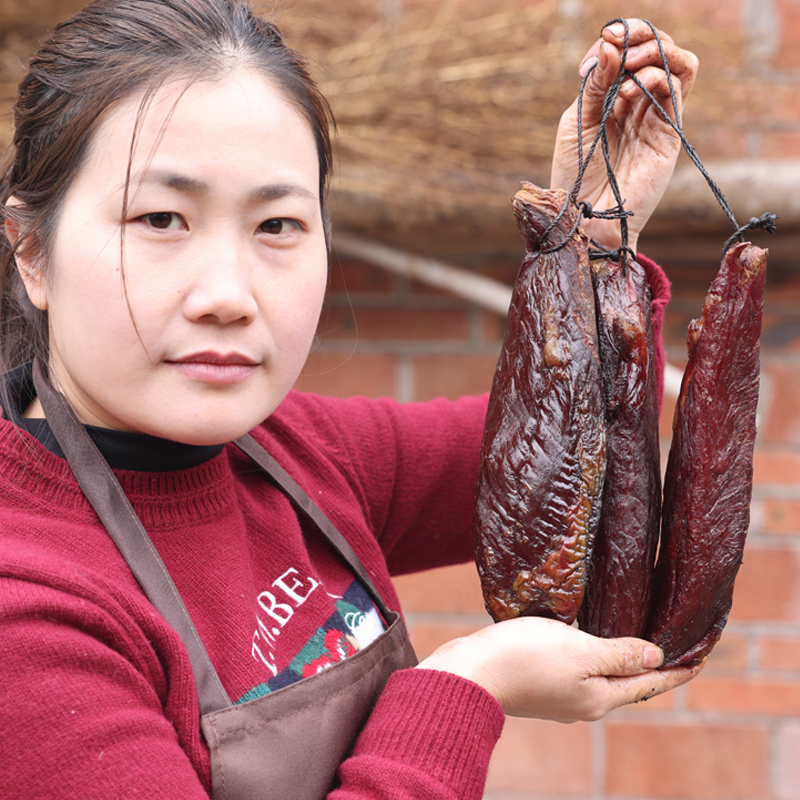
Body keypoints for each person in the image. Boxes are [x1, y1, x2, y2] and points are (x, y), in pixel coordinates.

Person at [0, 1, 701, 798]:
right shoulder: (26, 612)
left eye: (277, 224)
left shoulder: (297, 453)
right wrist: (465, 688)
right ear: (33, 254)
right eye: (161, 218)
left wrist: (593, 244)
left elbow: (565, 452)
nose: (227, 295)